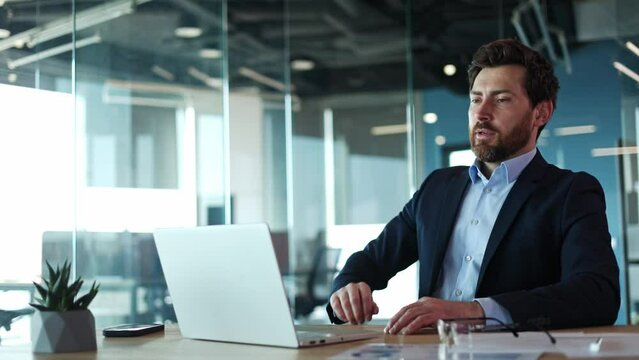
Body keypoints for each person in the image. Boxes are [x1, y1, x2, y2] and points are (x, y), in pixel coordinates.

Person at [327, 38, 620, 334]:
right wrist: (349, 285)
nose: (482, 113)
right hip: (430, 353)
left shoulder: (570, 192)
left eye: (501, 99)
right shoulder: (438, 188)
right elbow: (373, 259)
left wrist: (475, 312)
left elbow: (597, 295)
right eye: (476, 99)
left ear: (540, 113)